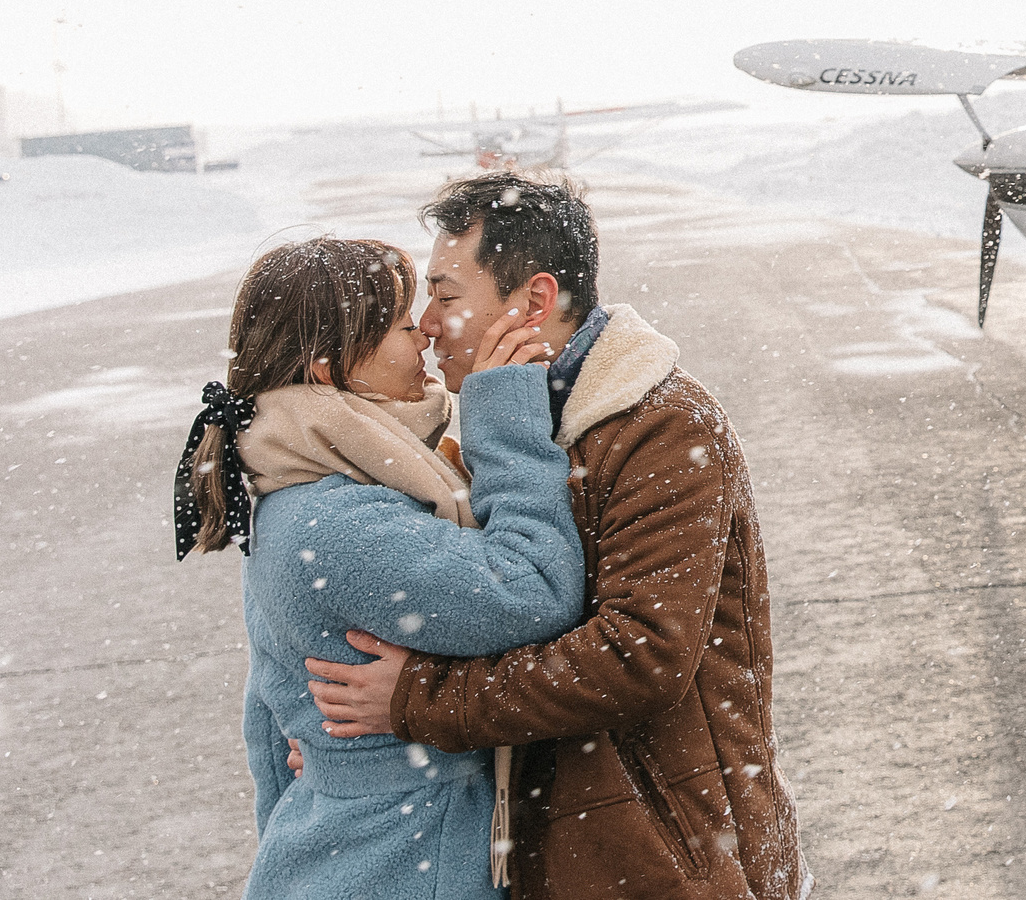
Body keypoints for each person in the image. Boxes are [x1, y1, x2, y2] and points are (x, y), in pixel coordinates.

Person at [305, 172, 807, 900]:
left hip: (672, 858)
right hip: (567, 851)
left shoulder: (661, 425)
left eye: (445, 295)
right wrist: (351, 745)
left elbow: (639, 654)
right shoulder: (493, 420)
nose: (427, 323)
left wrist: (419, 699)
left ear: (535, 300)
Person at [174, 236, 583, 900]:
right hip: (399, 860)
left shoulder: (295, 484)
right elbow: (535, 586)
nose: (423, 331)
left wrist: (306, 808)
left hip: (345, 853)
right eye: (399, 325)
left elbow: (269, 721)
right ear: (330, 367)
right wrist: (505, 415)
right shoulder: (333, 522)